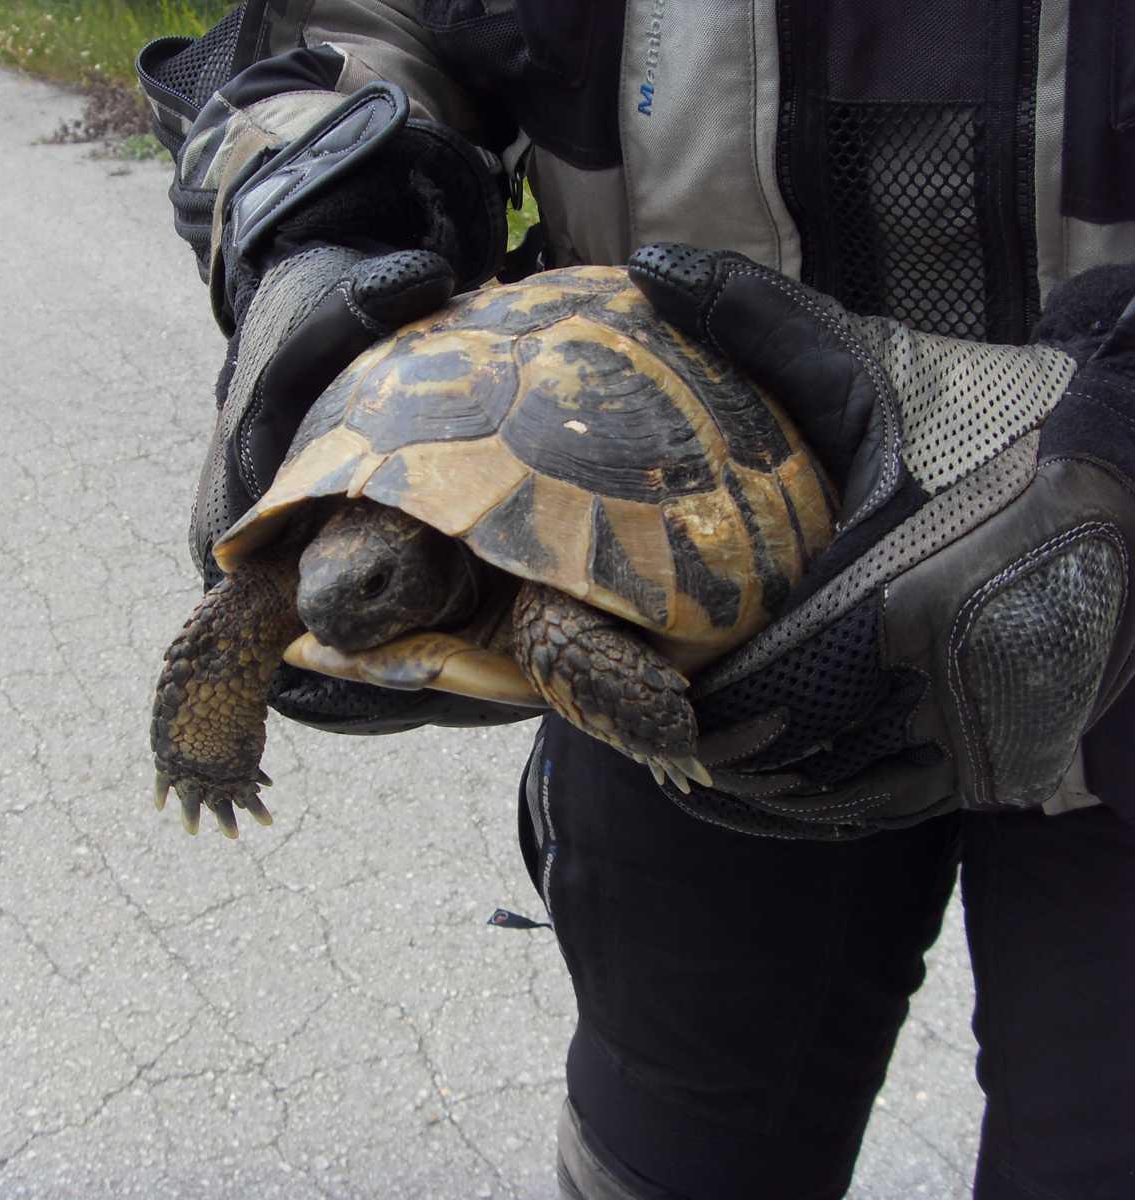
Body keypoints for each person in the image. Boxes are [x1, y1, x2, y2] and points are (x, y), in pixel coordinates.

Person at [138, 4, 1135, 1197]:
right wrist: (321, 193)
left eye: (374, 583)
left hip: (1094, 579)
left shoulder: (548, 615)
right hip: (724, 706)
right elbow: (360, 22)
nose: (336, 609)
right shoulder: (329, 573)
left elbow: (549, 613)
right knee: (673, 1140)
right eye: (333, 584)